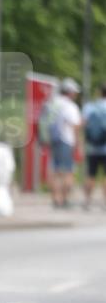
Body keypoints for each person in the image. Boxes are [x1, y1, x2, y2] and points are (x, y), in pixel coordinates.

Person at [47, 78, 82, 208]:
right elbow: (75, 126)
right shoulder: (70, 106)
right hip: (66, 141)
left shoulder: (52, 103)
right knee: (68, 171)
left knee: (55, 171)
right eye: (75, 92)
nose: (76, 94)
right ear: (70, 92)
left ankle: (55, 199)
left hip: (53, 140)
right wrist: (78, 144)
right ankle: (65, 200)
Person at [82, 82, 106, 210]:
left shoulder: (90, 107)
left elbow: (84, 124)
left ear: (99, 92)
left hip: (92, 147)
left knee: (91, 175)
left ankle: (87, 201)